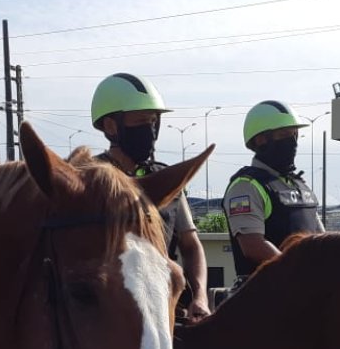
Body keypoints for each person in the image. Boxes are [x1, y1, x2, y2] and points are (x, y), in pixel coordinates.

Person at [89, 73, 209, 322]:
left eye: (154, 122)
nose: (151, 130)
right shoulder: (89, 180)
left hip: (169, 311)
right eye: (142, 121)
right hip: (112, 321)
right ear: (111, 126)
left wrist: (200, 296)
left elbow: (191, 245)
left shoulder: (166, 178)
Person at [222, 100, 323, 285]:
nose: (292, 142)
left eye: (294, 134)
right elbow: (253, 246)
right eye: (284, 134)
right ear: (261, 139)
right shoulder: (245, 186)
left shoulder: (300, 185)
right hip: (264, 297)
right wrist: (299, 276)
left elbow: (322, 241)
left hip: (307, 294)